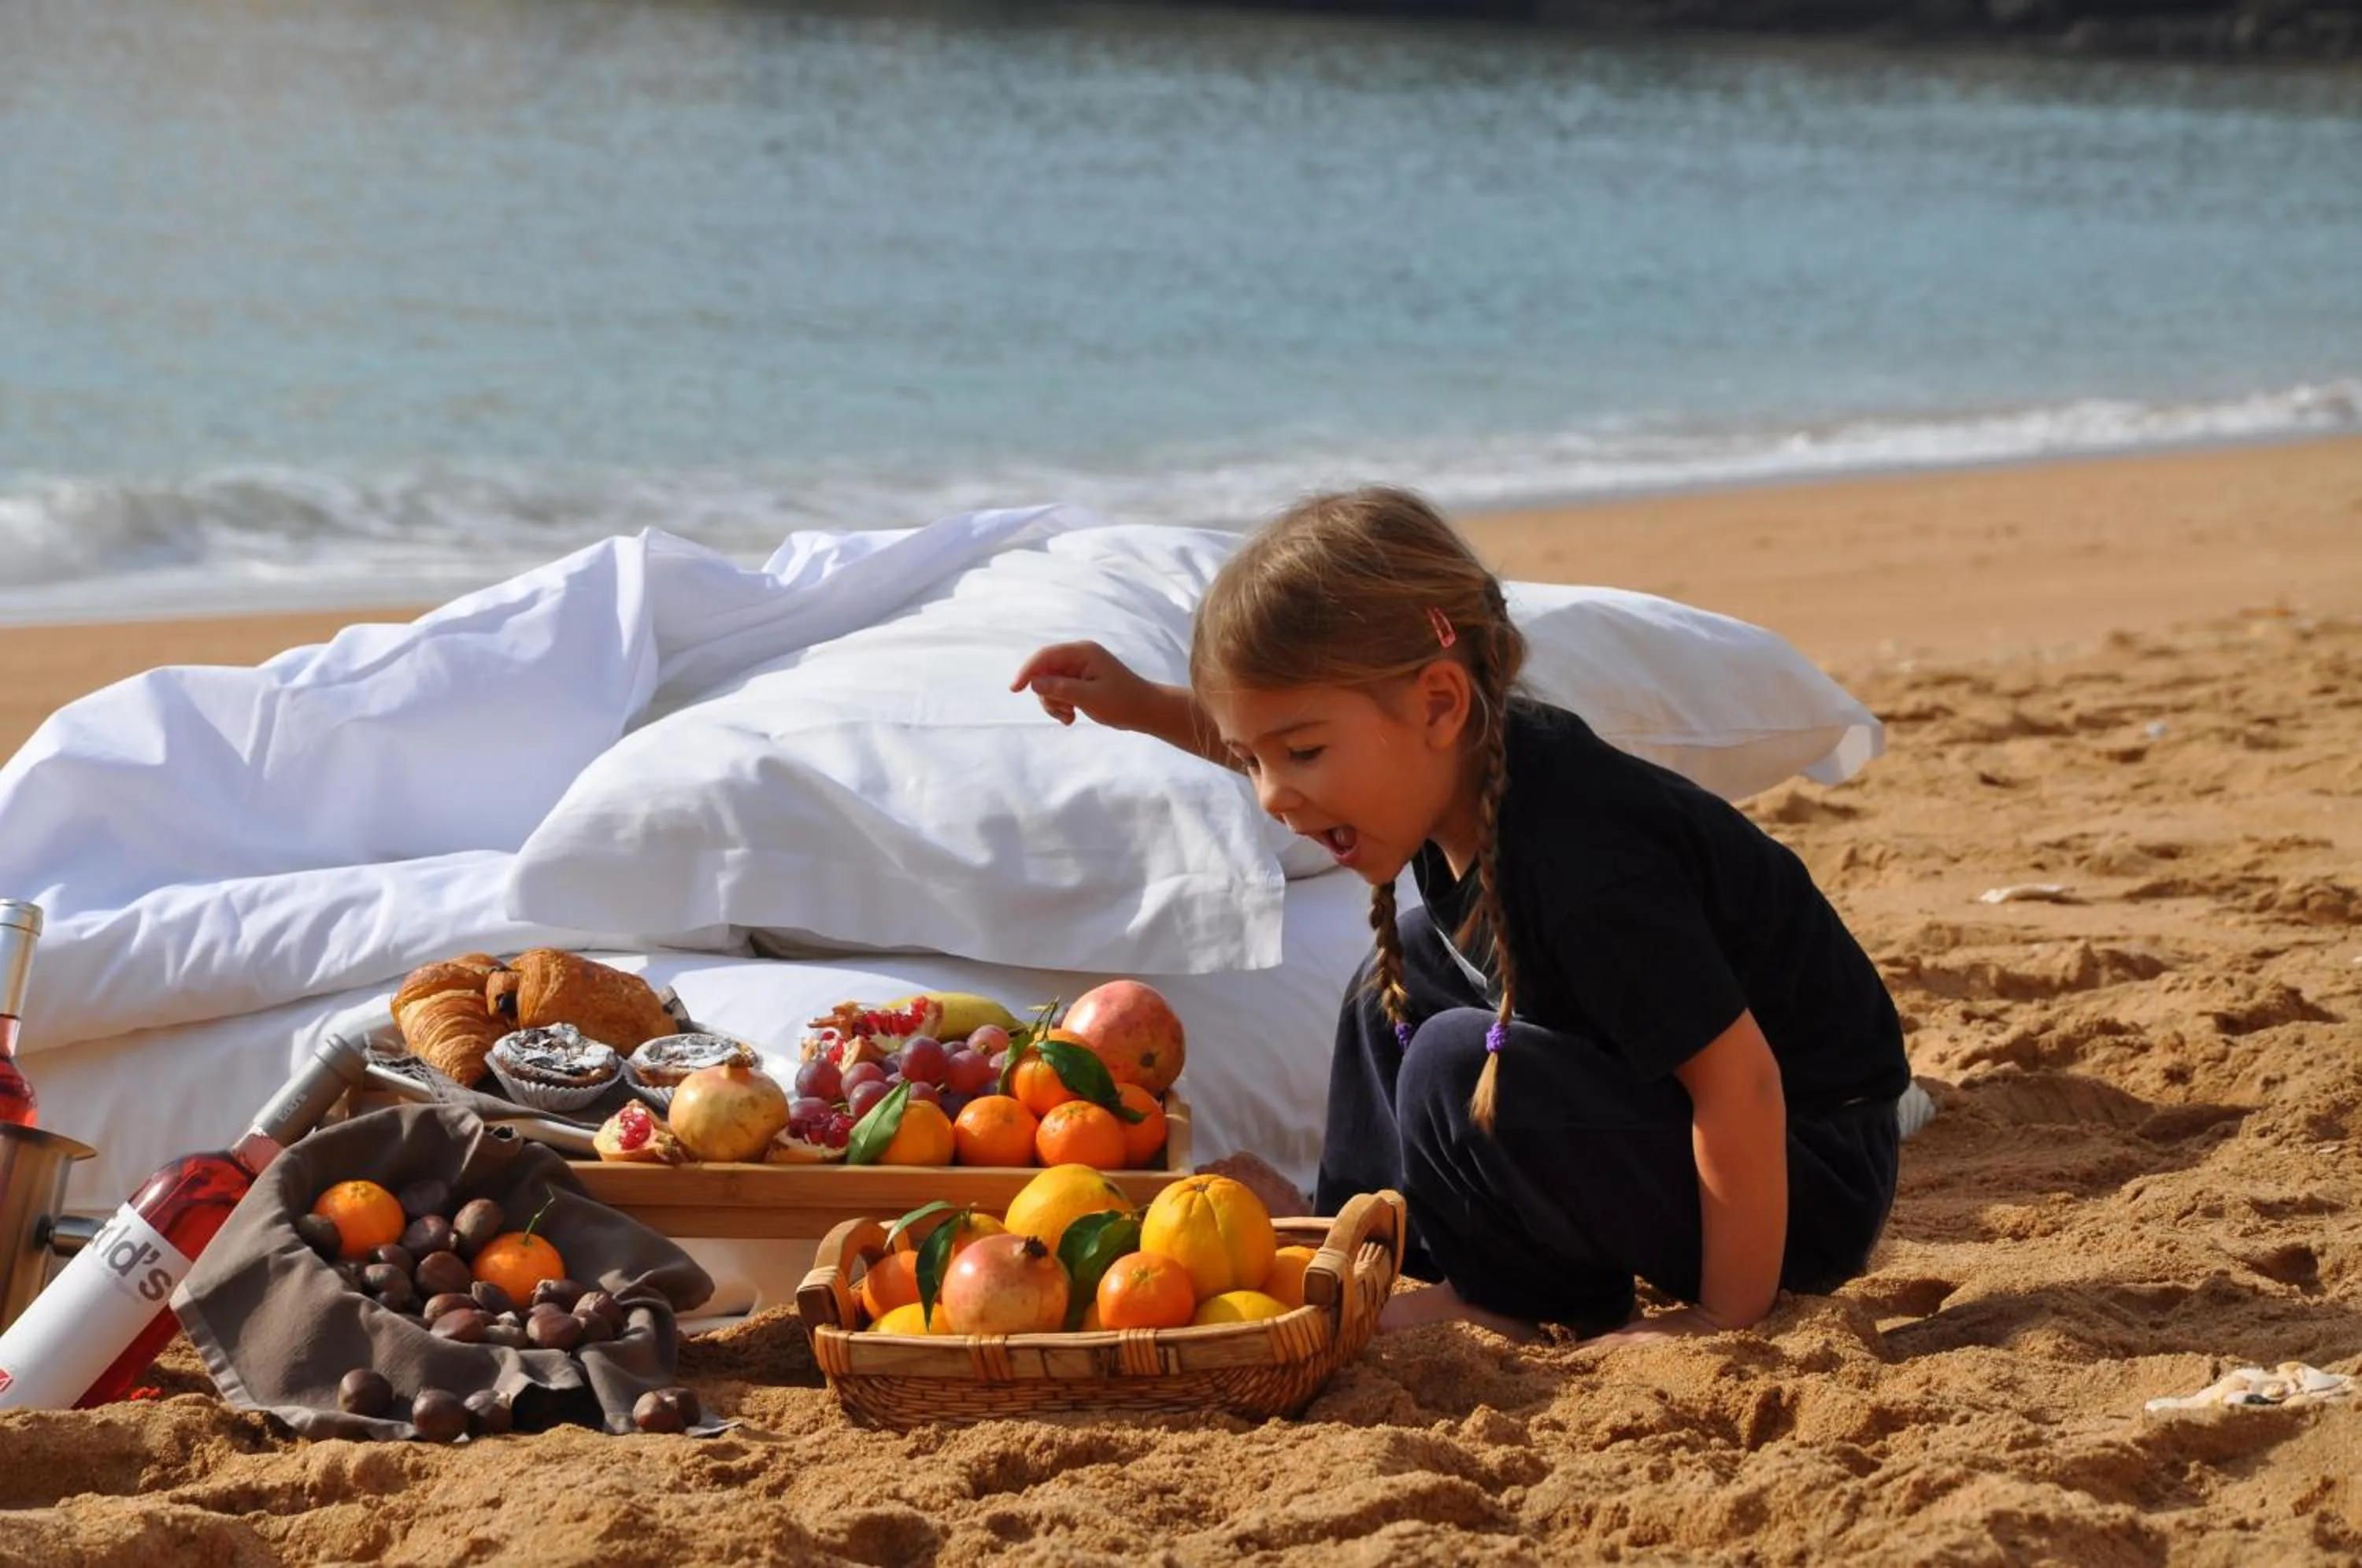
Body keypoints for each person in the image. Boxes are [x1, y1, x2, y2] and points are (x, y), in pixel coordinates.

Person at [1010, 486, 1910, 1344]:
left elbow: (1740, 1082)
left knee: (1455, 1059)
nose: (1276, 797)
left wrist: (1724, 1318)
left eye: (1305, 754)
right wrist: (1137, 706)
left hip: (1797, 1183)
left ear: (1439, 703)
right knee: (1395, 977)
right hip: (1688, 1125)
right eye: (1254, 761)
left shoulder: (1579, 867)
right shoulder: (1472, 763)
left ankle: (1509, 1297)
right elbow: (1274, 728)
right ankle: (1378, 1243)